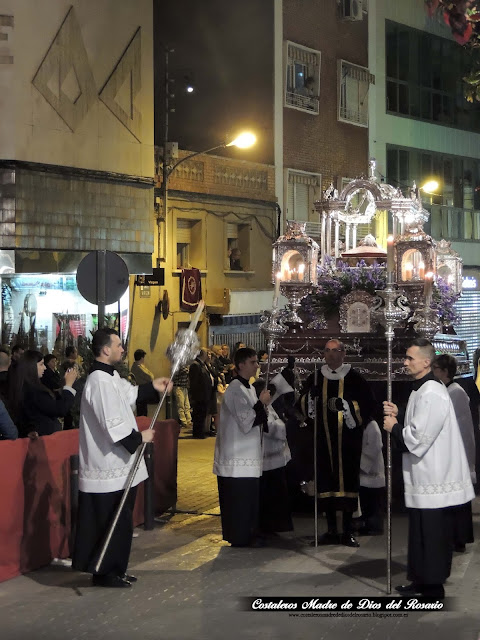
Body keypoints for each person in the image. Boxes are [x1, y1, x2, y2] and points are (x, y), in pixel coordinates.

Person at [72, 329, 172, 588]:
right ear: (105, 350)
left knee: (121, 521)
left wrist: (154, 386)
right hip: (107, 465)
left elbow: (130, 394)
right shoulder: (98, 381)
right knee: (109, 521)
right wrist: (140, 437)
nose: (122, 348)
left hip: (119, 465)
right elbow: (112, 424)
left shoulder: (111, 377)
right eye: (118, 344)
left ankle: (116, 568)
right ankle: (105, 572)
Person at [384, 339, 475, 599]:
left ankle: (434, 587)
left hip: (435, 475)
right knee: (420, 532)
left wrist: (394, 427)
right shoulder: (420, 390)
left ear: (426, 362)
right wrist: (399, 413)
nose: (404, 362)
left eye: (410, 358)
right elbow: (416, 420)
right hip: (423, 475)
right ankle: (420, 579)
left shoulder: (433, 392)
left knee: (434, 535)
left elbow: (421, 436)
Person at [298, 338, 376, 547]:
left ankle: (348, 530)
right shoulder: (316, 377)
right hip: (323, 440)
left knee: (347, 482)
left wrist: (348, 407)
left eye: (335, 351)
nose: (331, 354)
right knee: (326, 483)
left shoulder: (354, 378)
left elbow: (368, 405)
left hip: (348, 442)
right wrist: (309, 399)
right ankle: (331, 530)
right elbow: (302, 404)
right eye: (327, 351)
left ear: (343, 353)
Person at [213, 348, 271, 547]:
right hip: (236, 459)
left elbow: (256, 417)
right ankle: (240, 536)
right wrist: (260, 404)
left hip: (248, 455)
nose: (257, 365)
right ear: (241, 365)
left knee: (248, 500)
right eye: (253, 362)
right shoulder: (235, 388)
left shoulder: (248, 387)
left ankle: (250, 532)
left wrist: (262, 405)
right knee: (238, 501)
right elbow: (245, 420)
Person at [432, 353, 476, 552]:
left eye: (436, 369)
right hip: (451, 451)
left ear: (444, 372)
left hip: (457, 452)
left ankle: (458, 538)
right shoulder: (447, 390)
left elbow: (461, 427)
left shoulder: (455, 392)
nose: (433, 373)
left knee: (457, 499)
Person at [253, 380, 293, 535]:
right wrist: (283, 425)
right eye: (267, 392)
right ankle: (269, 527)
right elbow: (274, 429)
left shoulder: (268, 407)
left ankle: (276, 526)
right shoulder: (261, 409)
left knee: (277, 496)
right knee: (270, 497)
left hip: (277, 459)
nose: (270, 394)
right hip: (268, 461)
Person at [9, 350, 77, 438]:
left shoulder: (23, 386)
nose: (45, 368)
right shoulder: (34, 390)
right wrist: (68, 385)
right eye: (41, 364)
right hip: (44, 439)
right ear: (31, 367)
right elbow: (60, 409)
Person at [355, 419, 385, 535]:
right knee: (366, 501)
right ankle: (366, 524)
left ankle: (375, 526)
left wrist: (361, 464)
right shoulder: (364, 425)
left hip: (373, 470)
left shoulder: (372, 425)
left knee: (374, 502)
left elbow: (375, 446)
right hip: (365, 473)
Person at [189, 349, 215, 439]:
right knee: (199, 414)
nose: (208, 356)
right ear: (202, 355)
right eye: (206, 354)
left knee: (202, 414)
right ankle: (198, 433)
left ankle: (201, 431)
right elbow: (194, 382)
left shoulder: (203, 365)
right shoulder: (195, 365)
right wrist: (195, 394)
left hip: (205, 394)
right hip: (200, 394)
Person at [130, 349, 154, 416]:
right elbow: (149, 377)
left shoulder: (139, 366)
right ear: (141, 358)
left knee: (143, 412)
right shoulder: (137, 368)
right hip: (140, 392)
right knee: (142, 413)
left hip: (142, 392)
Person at [172, 365, 192, 430]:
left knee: (187, 405)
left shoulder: (186, 366)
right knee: (181, 405)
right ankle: (184, 422)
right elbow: (186, 371)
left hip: (184, 387)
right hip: (178, 387)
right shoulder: (178, 365)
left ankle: (189, 421)